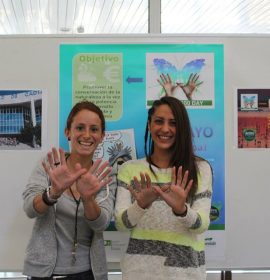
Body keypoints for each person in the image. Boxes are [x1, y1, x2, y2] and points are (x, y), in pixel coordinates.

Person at [114, 96, 212, 280]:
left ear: (181, 128)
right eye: (159, 121)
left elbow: (201, 226)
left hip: (186, 274)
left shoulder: (200, 169)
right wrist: (140, 205)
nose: (165, 129)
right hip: (139, 273)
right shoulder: (130, 170)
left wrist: (181, 210)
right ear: (150, 125)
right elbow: (121, 224)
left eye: (173, 123)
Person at [22, 100, 116, 280]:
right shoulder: (50, 164)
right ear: (68, 132)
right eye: (80, 128)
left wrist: (89, 199)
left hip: (88, 273)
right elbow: (29, 208)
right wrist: (53, 193)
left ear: (102, 136)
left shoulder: (104, 174)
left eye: (94, 129)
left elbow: (101, 223)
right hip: (44, 273)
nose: (87, 135)